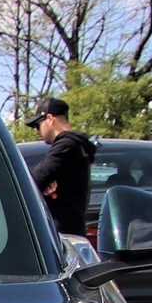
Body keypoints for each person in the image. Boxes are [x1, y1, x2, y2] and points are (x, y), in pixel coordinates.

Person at [30, 98, 95, 240]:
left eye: (37, 124)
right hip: (71, 230)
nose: (36, 131)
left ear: (50, 118)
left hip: (64, 235)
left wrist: (41, 186)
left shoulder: (67, 145)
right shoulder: (78, 145)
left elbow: (32, 181)